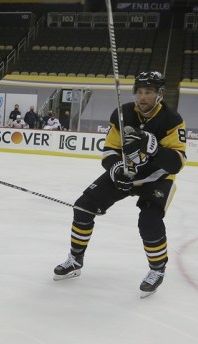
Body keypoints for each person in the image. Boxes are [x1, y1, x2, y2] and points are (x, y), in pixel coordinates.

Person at [52, 71, 187, 297]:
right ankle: (75, 260)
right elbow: (109, 152)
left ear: (159, 94)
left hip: (157, 178)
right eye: (140, 92)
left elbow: (177, 162)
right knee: (83, 207)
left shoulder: (171, 120)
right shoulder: (123, 114)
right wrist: (116, 170)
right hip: (126, 173)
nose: (143, 97)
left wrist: (152, 146)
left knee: (149, 219)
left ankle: (157, 269)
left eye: (149, 93)